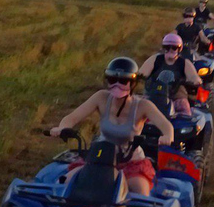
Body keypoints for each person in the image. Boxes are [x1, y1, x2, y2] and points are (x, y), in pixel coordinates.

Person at [48, 57, 175, 196]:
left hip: (130, 163)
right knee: (67, 183)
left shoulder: (142, 106)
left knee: (141, 194)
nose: (117, 85)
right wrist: (62, 128)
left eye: (123, 81)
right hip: (100, 158)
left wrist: (167, 136)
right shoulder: (101, 97)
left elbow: (166, 126)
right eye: (112, 79)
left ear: (132, 83)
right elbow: (72, 117)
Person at [138, 33, 202, 117]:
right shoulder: (155, 59)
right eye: (167, 47)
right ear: (163, 48)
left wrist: (193, 81)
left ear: (180, 49)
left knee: (185, 113)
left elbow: (194, 77)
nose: (171, 50)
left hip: (177, 98)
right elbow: (141, 73)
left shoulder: (184, 63)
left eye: (174, 48)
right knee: (136, 110)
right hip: (152, 95)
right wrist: (140, 77)